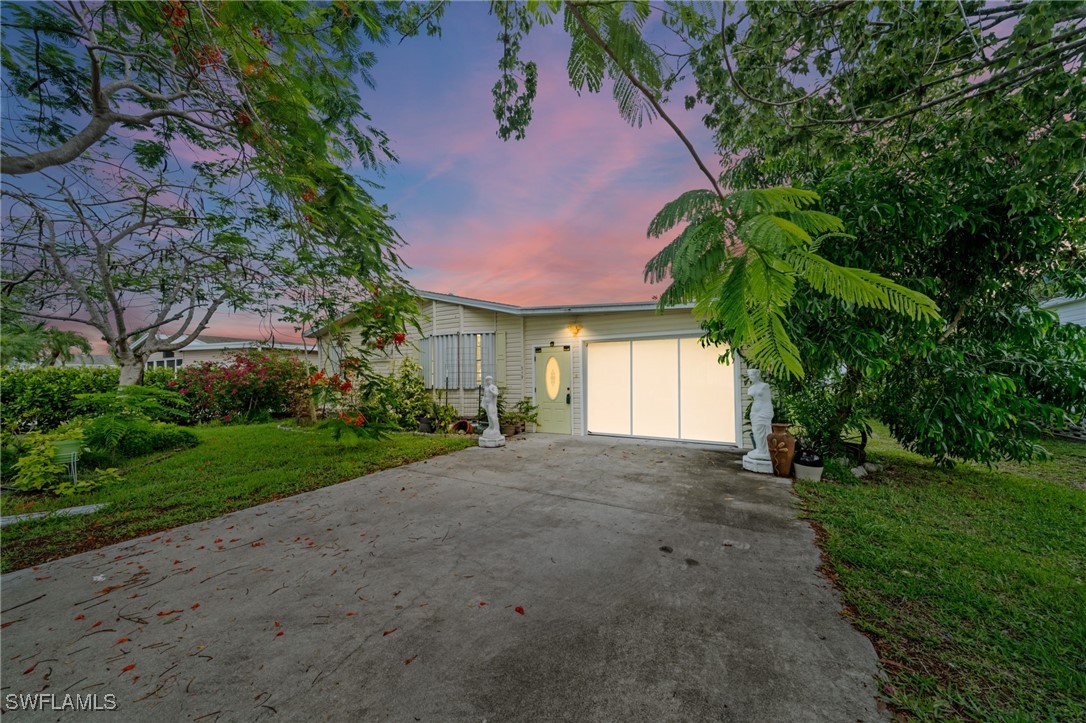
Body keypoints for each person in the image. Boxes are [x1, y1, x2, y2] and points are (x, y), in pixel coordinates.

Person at [747, 368, 773, 460]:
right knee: (756, 430)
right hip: (755, 410)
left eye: (753, 375)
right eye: (750, 376)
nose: (751, 377)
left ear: (757, 375)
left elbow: (768, 400)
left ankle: (766, 451)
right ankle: (760, 449)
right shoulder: (751, 388)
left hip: (764, 409)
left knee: (765, 430)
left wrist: (769, 411)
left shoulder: (764, 386)